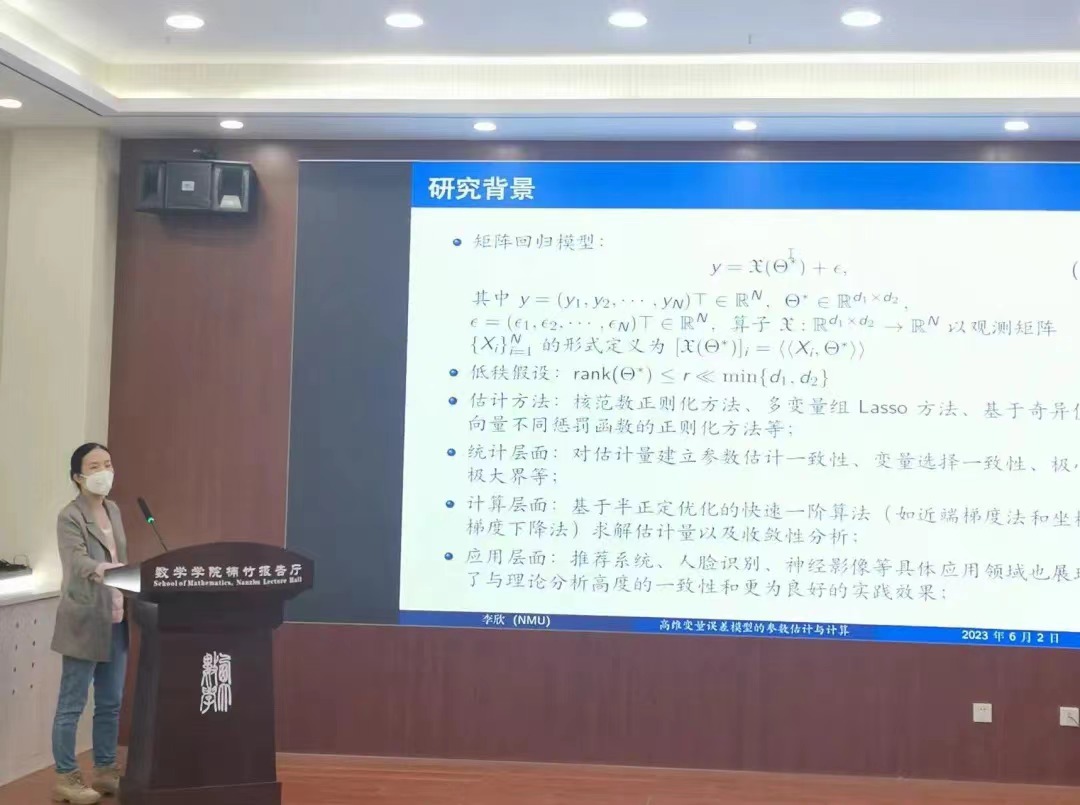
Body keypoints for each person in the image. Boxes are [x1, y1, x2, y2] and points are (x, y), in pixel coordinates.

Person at [49, 443, 129, 804]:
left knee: (110, 702)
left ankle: (105, 771)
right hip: (84, 619)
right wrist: (108, 571)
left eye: (107, 464)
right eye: (95, 466)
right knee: (72, 704)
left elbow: (120, 554)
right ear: (77, 477)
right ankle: (66, 778)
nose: (104, 472)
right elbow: (77, 561)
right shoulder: (70, 516)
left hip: (116, 616)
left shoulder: (114, 509)